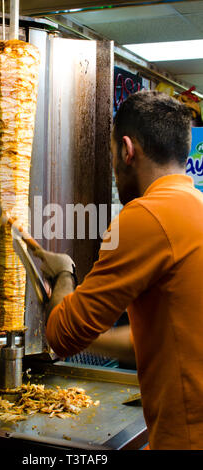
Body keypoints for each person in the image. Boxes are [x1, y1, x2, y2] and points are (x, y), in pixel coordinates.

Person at [34, 90, 203, 450]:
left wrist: (64, 272)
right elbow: (157, 336)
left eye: (111, 155)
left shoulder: (145, 216)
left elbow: (62, 335)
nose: (114, 167)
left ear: (127, 150)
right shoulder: (197, 206)